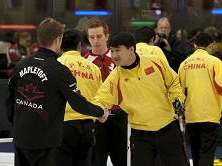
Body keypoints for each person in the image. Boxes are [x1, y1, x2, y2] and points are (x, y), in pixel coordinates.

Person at [5, 17, 108, 166]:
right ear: (58, 40)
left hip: (21, 137)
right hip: (45, 140)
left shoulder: (22, 64)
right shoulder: (59, 70)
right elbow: (78, 103)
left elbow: (9, 100)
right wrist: (100, 111)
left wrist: (17, 123)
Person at [92, 31, 189, 166]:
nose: (114, 56)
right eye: (112, 51)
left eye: (118, 51)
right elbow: (100, 99)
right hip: (141, 135)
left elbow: (173, 82)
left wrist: (177, 98)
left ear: (131, 49)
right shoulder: (116, 78)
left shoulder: (155, 62)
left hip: (167, 129)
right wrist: (100, 111)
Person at [178, 32, 222, 166]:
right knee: (207, 153)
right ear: (211, 46)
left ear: (194, 46)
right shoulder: (214, 62)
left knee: (196, 152)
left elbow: (178, 91)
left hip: (191, 116)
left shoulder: (184, 64)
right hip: (210, 115)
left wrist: (181, 113)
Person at [53, 29, 103, 166]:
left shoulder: (56, 65)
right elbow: (101, 96)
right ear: (79, 45)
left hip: (64, 124)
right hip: (88, 126)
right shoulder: (93, 68)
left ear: (60, 46)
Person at [84, 20, 128, 166]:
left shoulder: (119, 57)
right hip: (97, 118)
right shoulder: (84, 62)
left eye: (99, 36)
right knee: (97, 160)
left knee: (122, 159)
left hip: (120, 115)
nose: (95, 41)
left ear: (107, 36)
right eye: (91, 37)